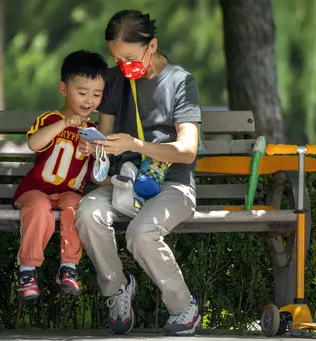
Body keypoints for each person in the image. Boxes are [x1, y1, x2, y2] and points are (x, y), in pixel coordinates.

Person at [76, 10, 202, 336]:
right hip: (124, 183)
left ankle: (183, 306)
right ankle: (117, 289)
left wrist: (137, 145)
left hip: (173, 184)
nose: (122, 66)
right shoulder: (115, 80)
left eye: (129, 58)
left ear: (152, 45)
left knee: (141, 232)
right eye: (116, 59)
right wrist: (97, 153)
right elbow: (104, 140)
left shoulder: (180, 82)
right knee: (88, 211)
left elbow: (187, 149)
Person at [12, 50, 108, 300]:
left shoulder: (93, 130)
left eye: (96, 94)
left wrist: (94, 152)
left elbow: (101, 170)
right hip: (36, 190)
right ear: (63, 89)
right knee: (40, 206)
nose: (89, 100)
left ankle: (69, 267)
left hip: (69, 194)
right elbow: (34, 143)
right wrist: (64, 124)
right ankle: (27, 270)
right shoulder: (50, 119)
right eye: (82, 92)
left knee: (77, 208)